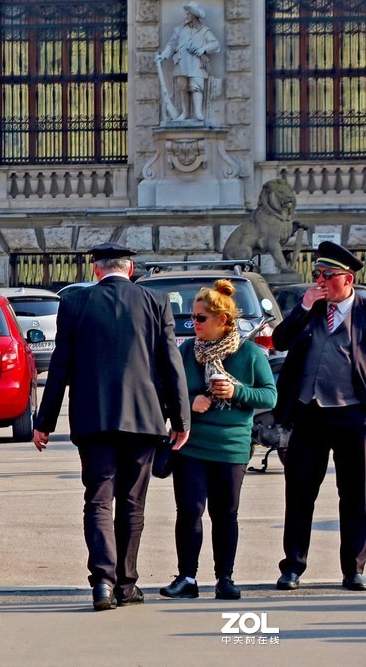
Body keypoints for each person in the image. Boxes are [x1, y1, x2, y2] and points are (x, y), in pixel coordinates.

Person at [32, 241, 190, 611]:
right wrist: (181, 419)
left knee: (98, 500)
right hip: (144, 419)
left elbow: (61, 366)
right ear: (130, 269)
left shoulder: (75, 303)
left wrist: (44, 421)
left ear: (96, 270)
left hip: (95, 419)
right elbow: (171, 364)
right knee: (133, 503)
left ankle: (102, 581)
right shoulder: (156, 302)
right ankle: (126, 584)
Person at [160, 280, 276, 601]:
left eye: (200, 318)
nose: (193, 323)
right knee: (190, 510)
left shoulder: (250, 354)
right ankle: (187, 578)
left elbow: (270, 395)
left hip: (231, 446)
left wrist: (236, 391)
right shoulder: (186, 352)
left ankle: (225, 578)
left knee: (225, 514)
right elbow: (164, 391)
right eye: (192, 318)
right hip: (192, 445)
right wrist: (190, 400)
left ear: (222, 320)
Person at [273, 241, 366, 592]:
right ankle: (293, 565)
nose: (321, 282)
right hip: (309, 412)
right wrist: (303, 306)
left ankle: (353, 568)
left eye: (327, 276)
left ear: (348, 279)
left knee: (356, 493)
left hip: (352, 414)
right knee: (299, 492)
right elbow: (280, 341)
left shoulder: (364, 311)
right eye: (317, 275)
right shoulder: (310, 309)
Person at [155, 1, 220, 122]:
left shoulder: (204, 31)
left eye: (188, 14)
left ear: (193, 16)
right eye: (186, 14)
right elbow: (171, 45)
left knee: (196, 87)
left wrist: (203, 49)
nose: (186, 16)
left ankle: (198, 113)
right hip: (181, 63)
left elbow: (215, 44)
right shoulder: (179, 30)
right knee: (182, 87)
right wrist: (163, 56)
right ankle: (184, 113)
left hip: (196, 64)